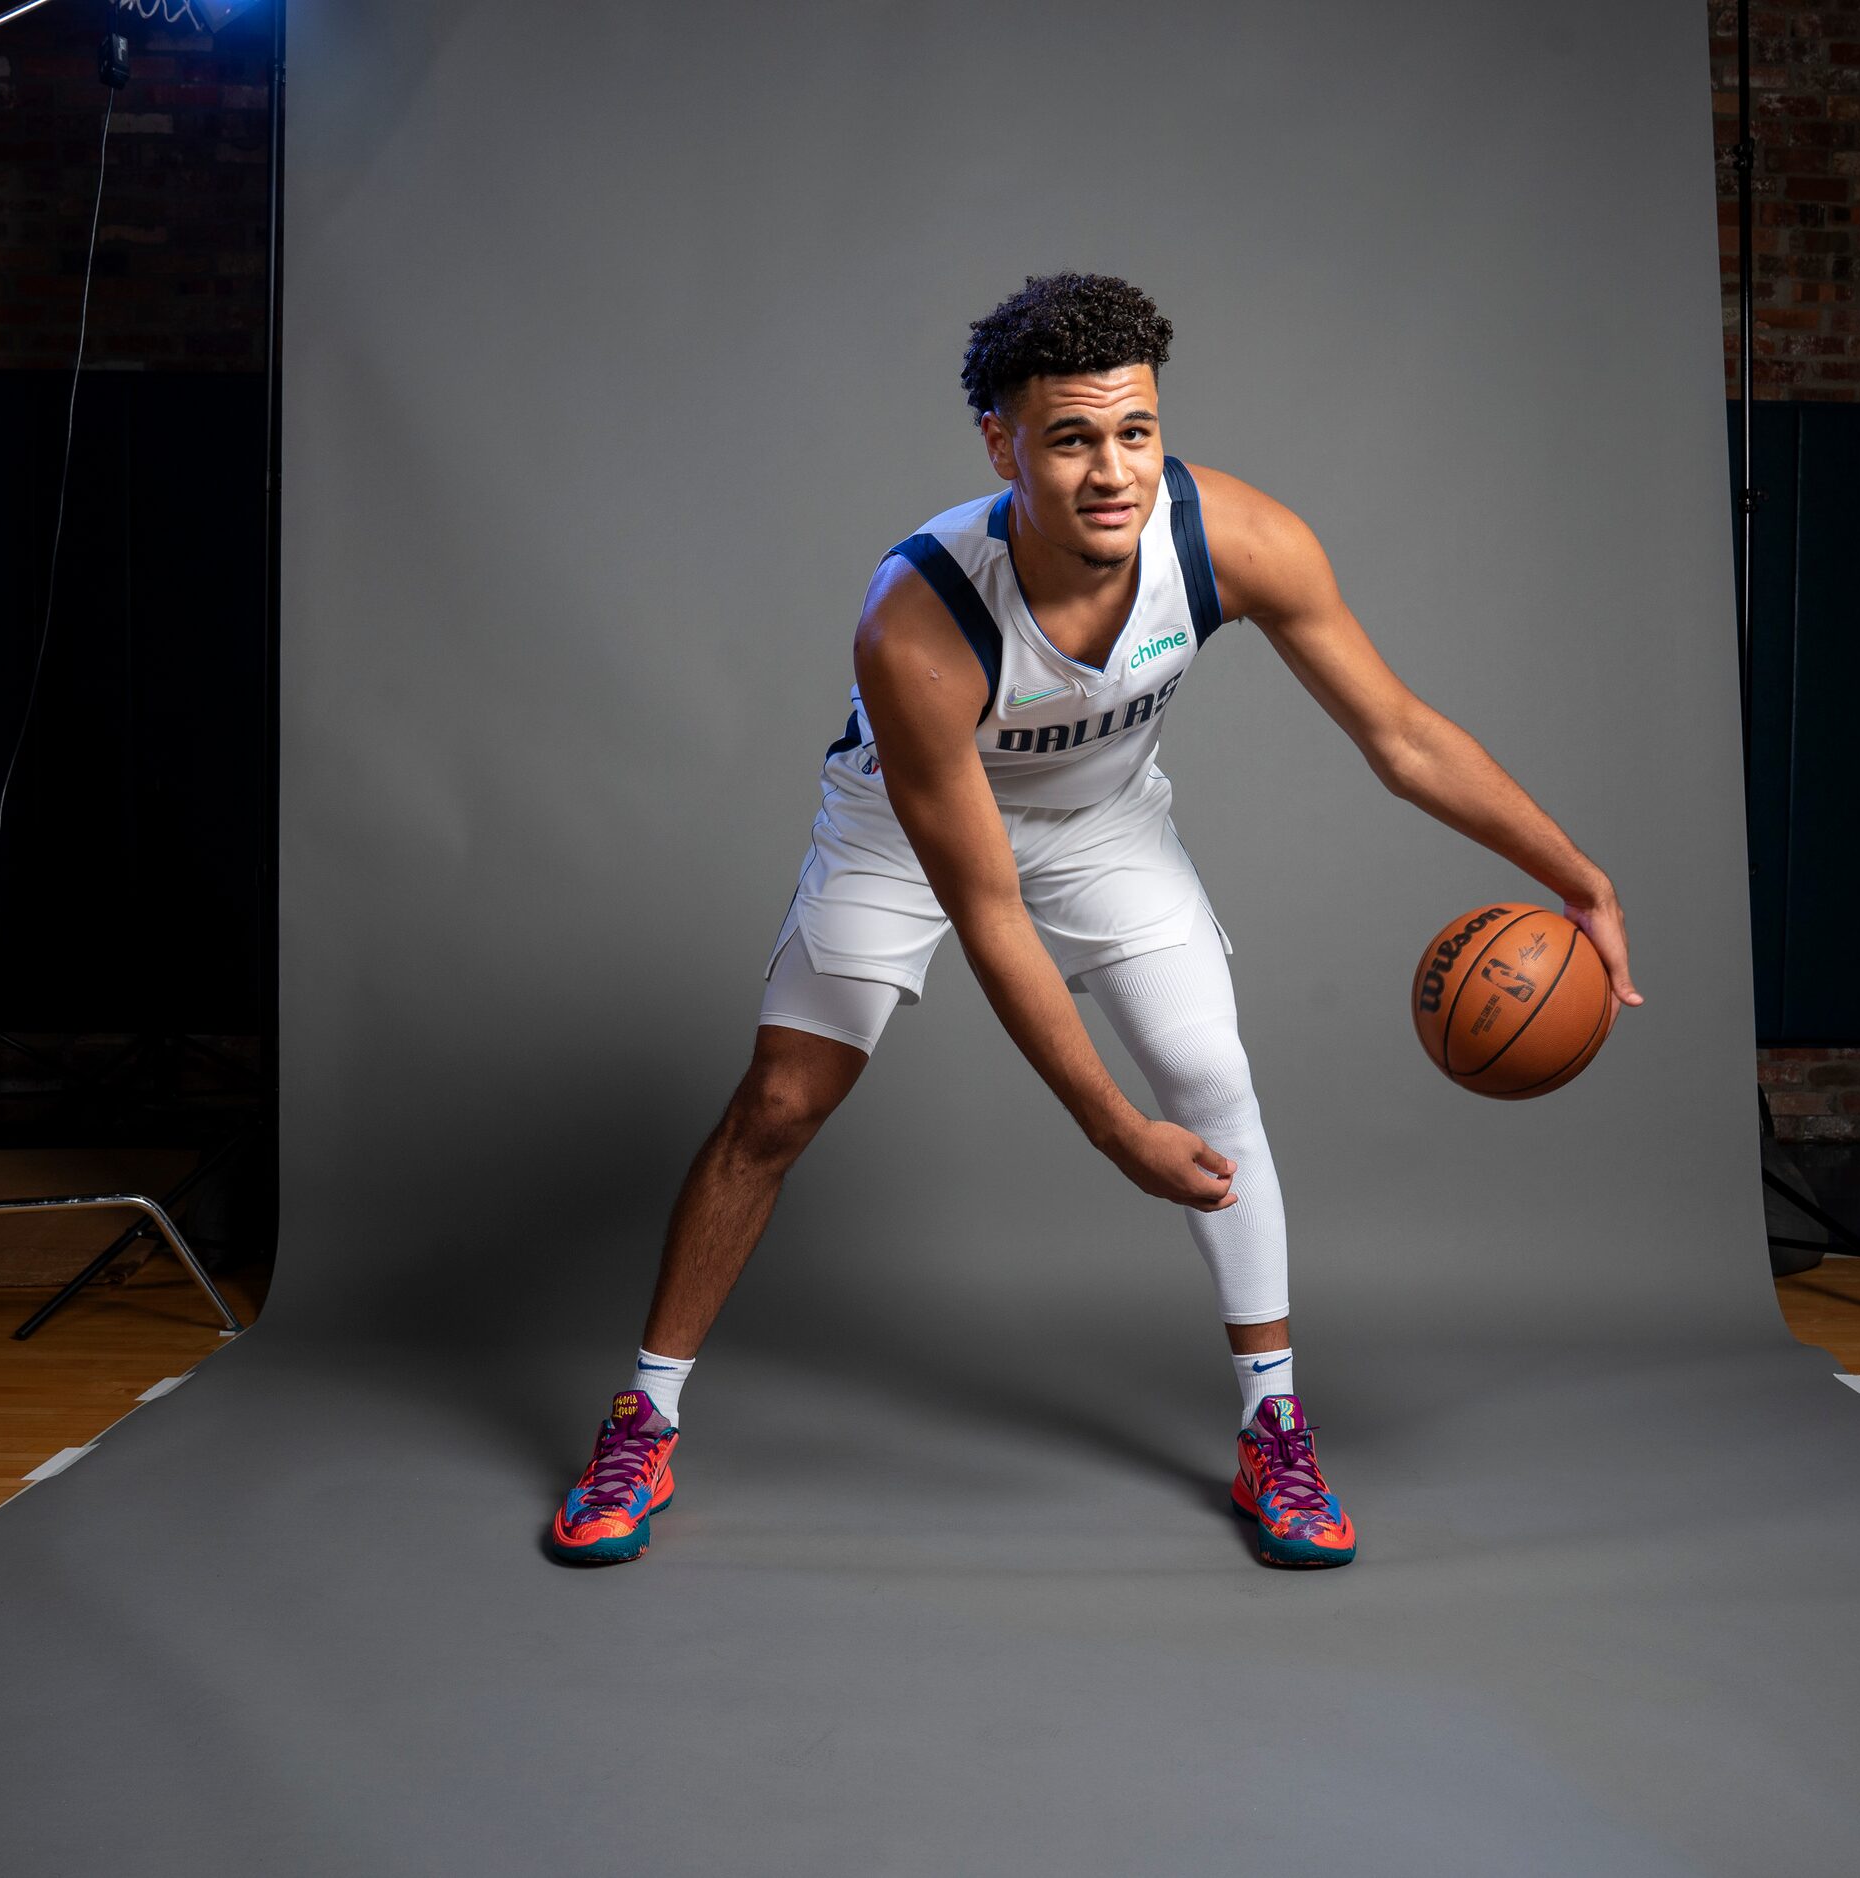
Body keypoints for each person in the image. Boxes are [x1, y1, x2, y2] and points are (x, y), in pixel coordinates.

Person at [550, 273, 1641, 1570]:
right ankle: (644, 1414)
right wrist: (1111, 1132)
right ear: (1001, 444)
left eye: (1134, 431)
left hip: (1108, 826)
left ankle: (1272, 1423)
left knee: (1210, 1077)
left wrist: (1578, 876)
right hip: (910, 837)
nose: (1110, 469)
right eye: (1069, 439)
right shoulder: (918, 623)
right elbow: (989, 911)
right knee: (780, 1103)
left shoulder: (1234, 538)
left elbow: (1399, 737)